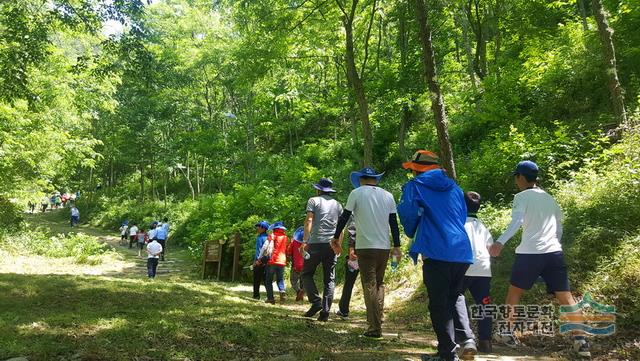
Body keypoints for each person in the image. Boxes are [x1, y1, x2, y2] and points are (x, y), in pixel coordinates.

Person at [488, 160, 590, 358]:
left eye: (516, 177)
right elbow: (559, 227)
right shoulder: (550, 198)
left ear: (521, 177)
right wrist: (555, 244)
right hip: (554, 253)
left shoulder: (522, 197)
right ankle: (581, 341)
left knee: (514, 293)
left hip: (529, 253)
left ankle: (506, 332)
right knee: (566, 297)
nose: (516, 181)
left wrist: (499, 242)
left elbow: (516, 221)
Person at [397, 150, 475, 361]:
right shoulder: (456, 188)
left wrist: (412, 230)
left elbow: (408, 214)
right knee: (456, 295)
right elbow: (460, 216)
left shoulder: (415, 186)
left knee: (439, 303)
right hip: (461, 250)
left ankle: (447, 353)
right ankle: (467, 340)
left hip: (436, 250)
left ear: (416, 169)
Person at [332, 167, 401, 339]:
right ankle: (378, 319)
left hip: (365, 246)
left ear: (361, 179)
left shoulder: (356, 193)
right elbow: (393, 223)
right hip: (384, 247)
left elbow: (345, 217)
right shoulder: (388, 195)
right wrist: (397, 246)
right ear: (375, 180)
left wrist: (335, 238)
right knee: (379, 284)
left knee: (369, 285)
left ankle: (374, 328)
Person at [456, 191, 494, 354]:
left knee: (455, 299)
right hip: (484, 269)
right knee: (484, 303)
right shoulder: (482, 227)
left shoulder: (459, 223)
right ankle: (485, 341)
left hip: (463, 267)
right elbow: (490, 248)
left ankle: (462, 338)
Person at [301, 178, 343, 321]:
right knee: (329, 278)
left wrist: (304, 241)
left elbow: (309, 220)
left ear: (318, 189)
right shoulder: (338, 205)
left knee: (306, 273)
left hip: (315, 243)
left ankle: (315, 302)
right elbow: (340, 227)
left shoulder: (313, 201)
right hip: (331, 244)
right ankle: (325, 311)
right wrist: (339, 245)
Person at [257, 221, 288, 304]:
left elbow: (264, 247)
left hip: (272, 260)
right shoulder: (285, 237)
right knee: (280, 279)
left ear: (274, 228)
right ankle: (282, 291)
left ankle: (270, 298)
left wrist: (259, 258)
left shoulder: (272, 235)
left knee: (268, 280)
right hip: (282, 261)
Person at [335, 217, 358, 320]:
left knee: (349, 282)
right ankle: (375, 314)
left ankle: (344, 311)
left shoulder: (356, 207)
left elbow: (353, 229)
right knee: (372, 283)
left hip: (357, 252)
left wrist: (352, 249)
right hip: (375, 249)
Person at [286, 226, 305, 302]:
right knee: (303, 281)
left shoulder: (293, 242)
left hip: (296, 265)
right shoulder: (308, 243)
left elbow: (289, 251)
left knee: (293, 281)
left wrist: (289, 257)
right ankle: (301, 293)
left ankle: (298, 291)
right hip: (306, 265)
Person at [253, 221, 270, 300]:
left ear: (263, 228)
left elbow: (260, 251)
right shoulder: (268, 237)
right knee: (266, 279)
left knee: (256, 279)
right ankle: (270, 296)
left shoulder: (260, 238)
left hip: (260, 261)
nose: (257, 228)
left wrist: (257, 261)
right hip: (266, 261)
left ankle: (256, 295)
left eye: (259, 226)